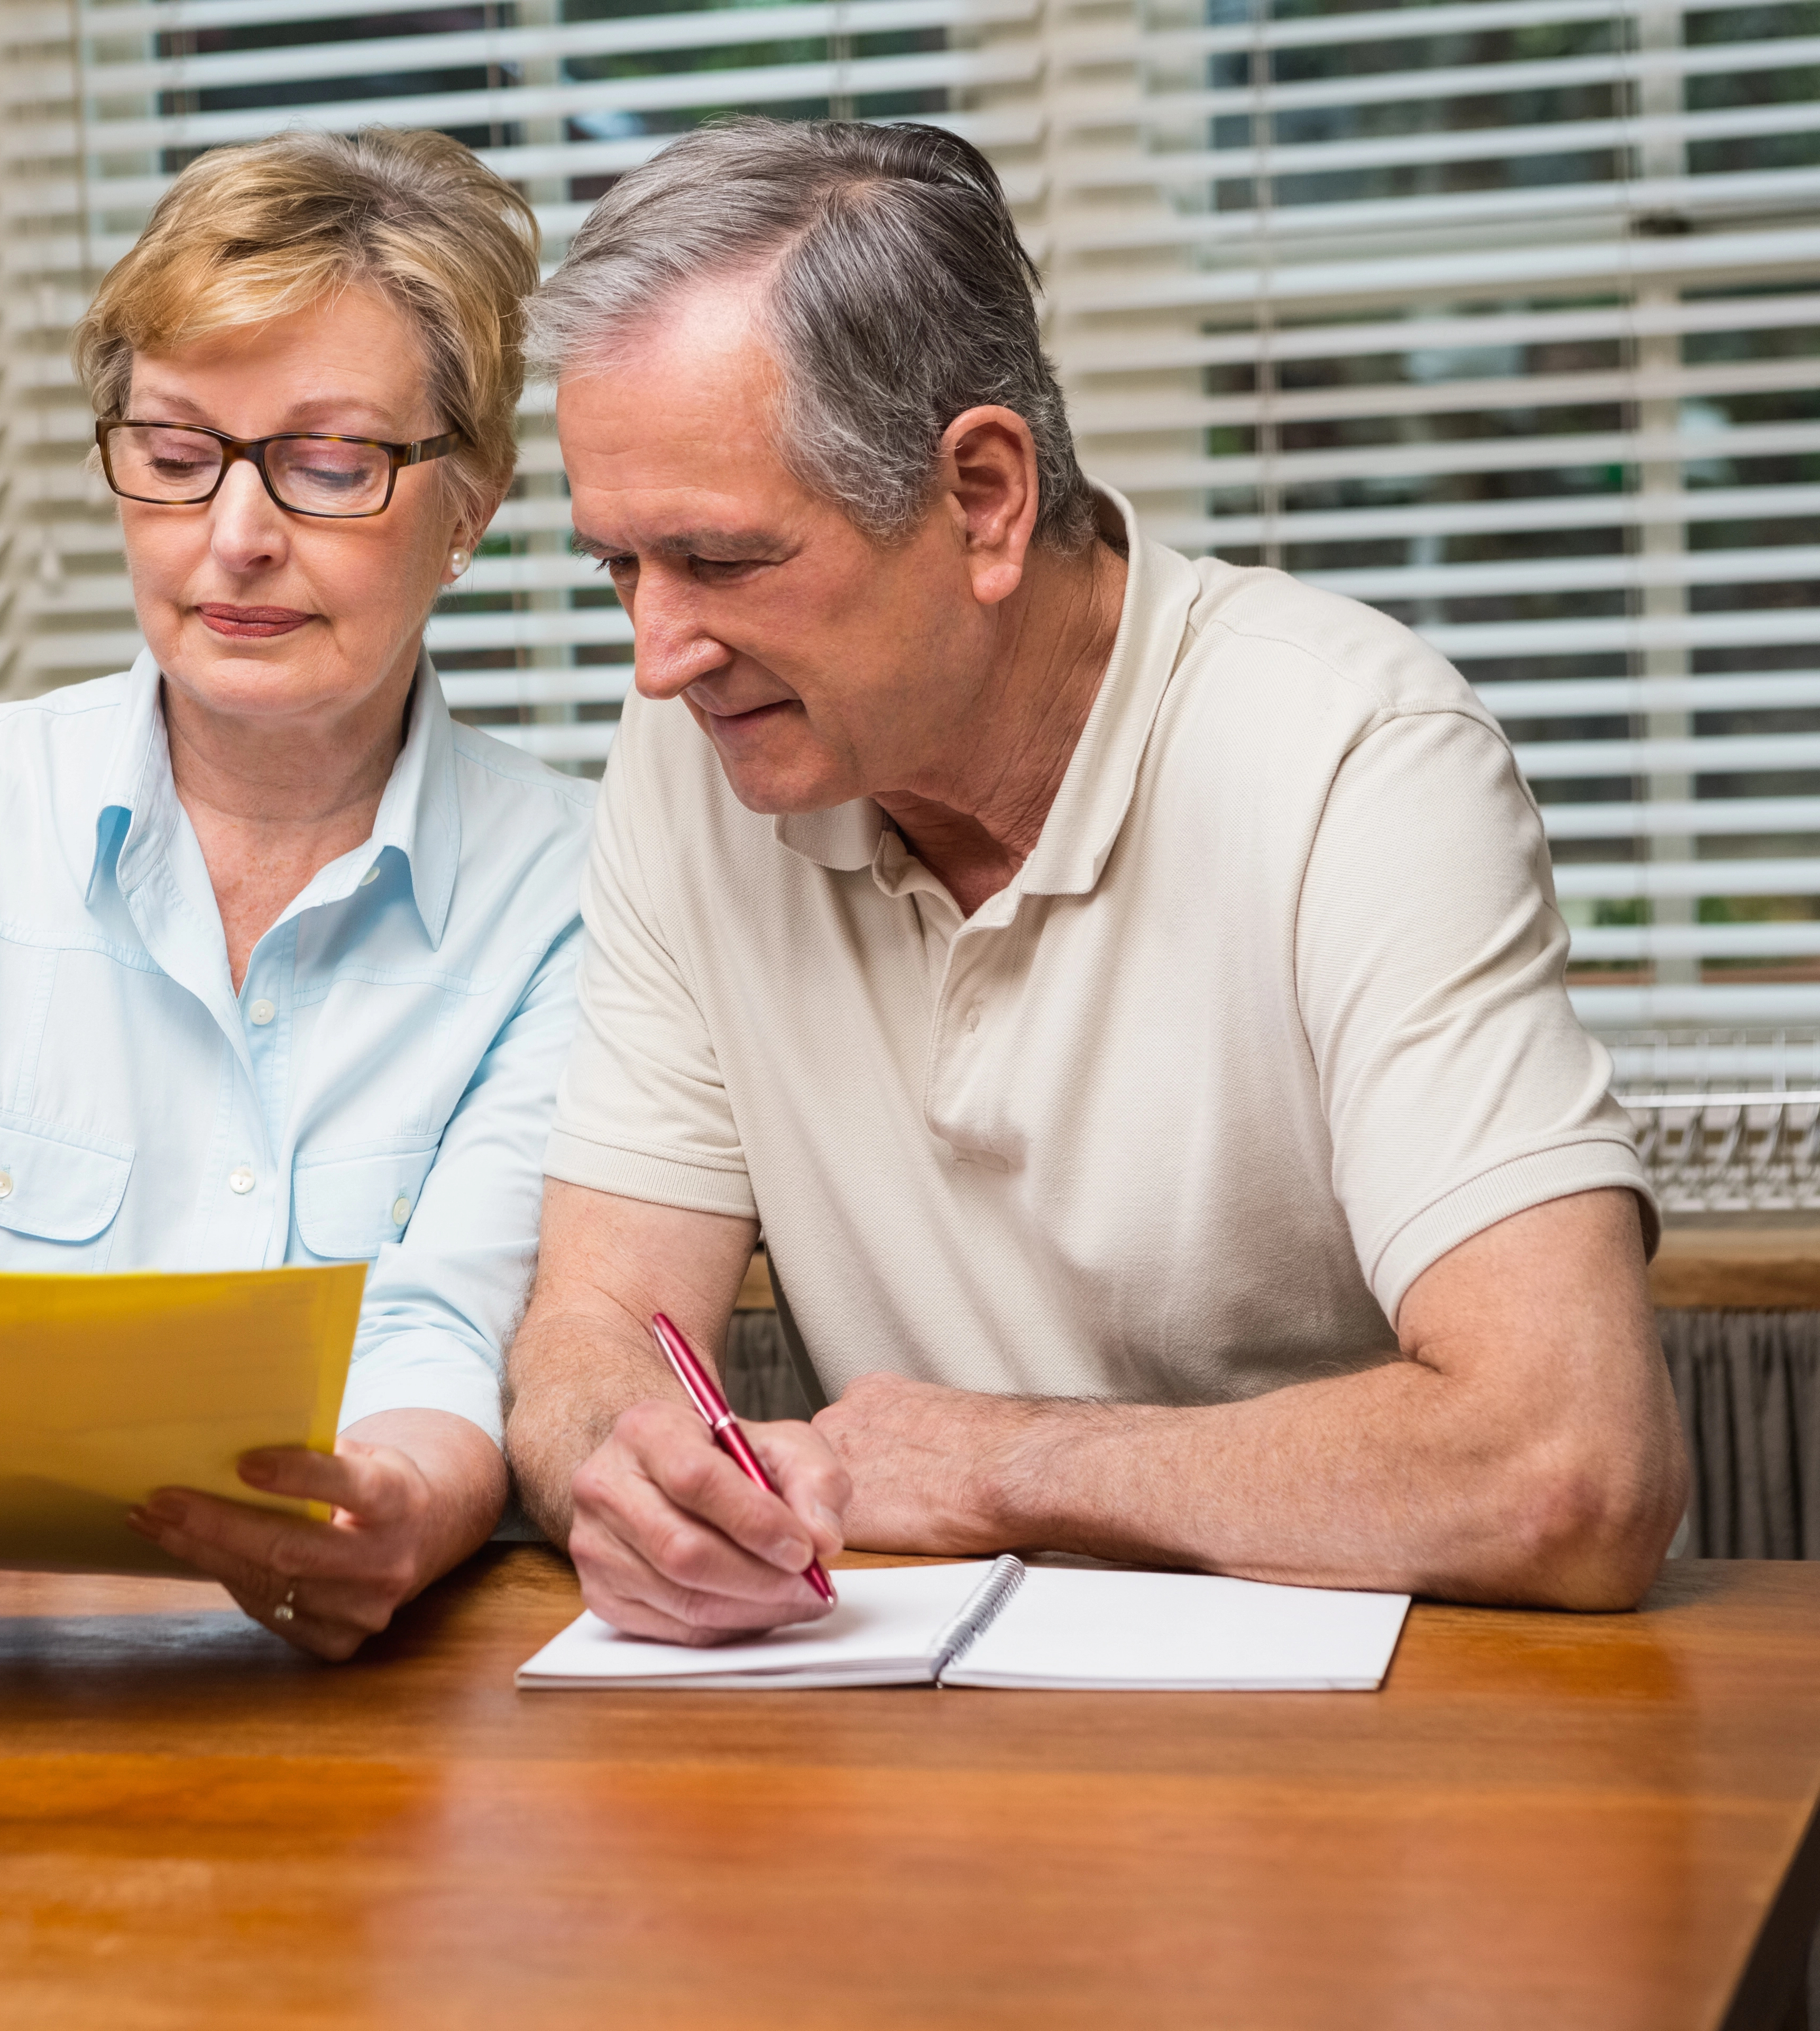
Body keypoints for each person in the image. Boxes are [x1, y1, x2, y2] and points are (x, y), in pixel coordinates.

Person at [500, 117, 1688, 1642]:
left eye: (723, 563)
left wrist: (1002, 1462)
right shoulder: (697, 757)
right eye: (619, 568)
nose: (657, 657)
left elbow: (1567, 1466)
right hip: (935, 1742)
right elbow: (595, 1326)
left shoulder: (1355, 751)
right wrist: (633, 1475)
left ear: (984, 497)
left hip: (1405, 1756)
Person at [0, 129, 593, 1660]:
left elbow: (443, 1332)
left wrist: (405, 1498)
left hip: (389, 1697)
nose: (237, 537)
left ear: (467, 506)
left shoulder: (579, 887)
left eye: (329, 463)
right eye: (179, 452)